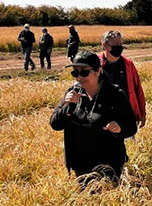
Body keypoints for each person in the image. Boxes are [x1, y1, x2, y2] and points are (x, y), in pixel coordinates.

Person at [50, 50, 137, 187]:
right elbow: (55, 124)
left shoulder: (114, 94)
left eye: (84, 72)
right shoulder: (72, 93)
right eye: (75, 73)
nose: (79, 77)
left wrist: (119, 127)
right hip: (80, 163)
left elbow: (131, 127)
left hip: (108, 163)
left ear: (98, 71)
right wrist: (68, 107)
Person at [98, 30, 147, 129]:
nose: (119, 46)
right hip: (103, 115)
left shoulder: (128, 64)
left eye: (120, 43)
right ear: (105, 45)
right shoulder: (96, 64)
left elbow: (138, 89)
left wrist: (142, 113)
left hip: (126, 114)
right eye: (116, 44)